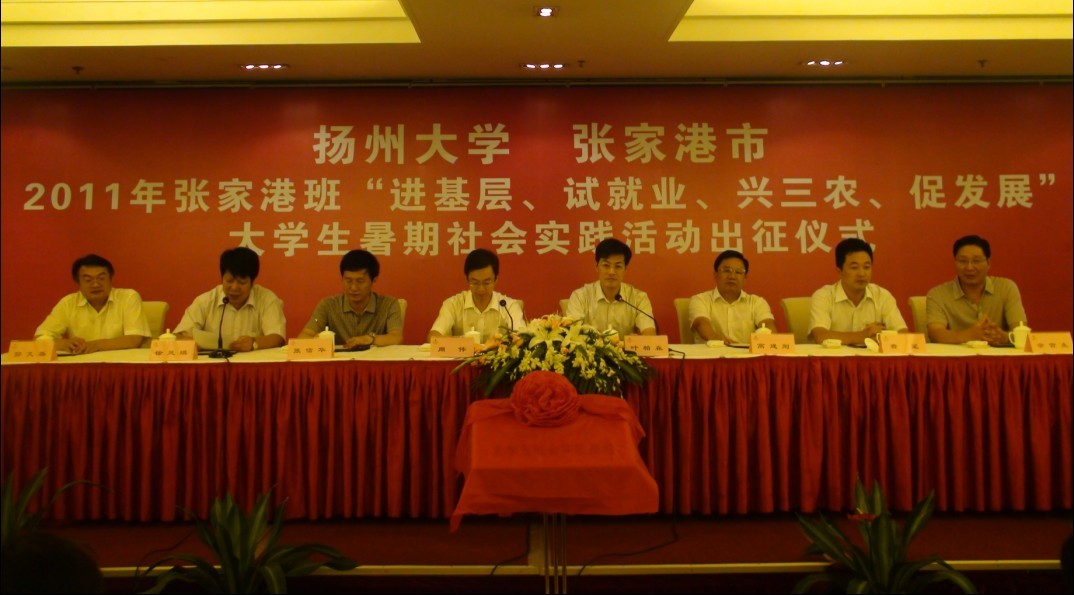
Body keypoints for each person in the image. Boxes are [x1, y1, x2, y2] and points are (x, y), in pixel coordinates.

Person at [174, 247, 286, 351]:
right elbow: (179, 336)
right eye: (229, 281)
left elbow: (277, 337)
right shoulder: (205, 301)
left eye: (242, 282)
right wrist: (190, 343)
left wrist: (254, 343)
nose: (234, 287)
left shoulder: (267, 300)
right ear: (222, 278)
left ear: (252, 282)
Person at [33, 254, 149, 354]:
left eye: (101, 278)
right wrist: (64, 344)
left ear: (110, 279)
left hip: (120, 365)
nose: (95, 284)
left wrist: (95, 345)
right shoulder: (68, 303)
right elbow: (40, 338)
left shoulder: (128, 297)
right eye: (88, 280)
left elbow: (134, 339)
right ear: (78, 283)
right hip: (81, 366)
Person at [925, 235, 1027, 345]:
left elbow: (1021, 330)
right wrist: (970, 335)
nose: (969, 267)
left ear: (988, 263)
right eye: (963, 261)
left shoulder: (1007, 288)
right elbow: (935, 334)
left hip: (999, 355)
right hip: (957, 355)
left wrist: (1004, 337)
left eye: (976, 261)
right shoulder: (937, 294)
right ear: (955, 263)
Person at [809, 238, 907, 345]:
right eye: (854, 267)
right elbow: (820, 336)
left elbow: (903, 334)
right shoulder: (824, 296)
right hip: (834, 356)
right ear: (839, 271)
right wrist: (865, 336)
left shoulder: (882, 296)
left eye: (866, 267)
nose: (862, 273)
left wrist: (882, 334)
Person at [297, 249, 403, 348]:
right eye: (348, 281)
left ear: (374, 280)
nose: (353, 288)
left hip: (374, 361)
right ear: (342, 279)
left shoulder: (389, 304)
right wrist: (315, 340)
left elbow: (396, 338)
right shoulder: (328, 305)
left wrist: (370, 339)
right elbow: (305, 335)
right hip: (339, 361)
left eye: (360, 281)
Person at [428, 248, 524, 342]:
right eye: (475, 282)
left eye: (486, 282)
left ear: (496, 280)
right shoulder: (453, 304)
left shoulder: (509, 306)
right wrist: (465, 343)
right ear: (467, 279)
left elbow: (521, 338)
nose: (481, 288)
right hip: (462, 353)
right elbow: (433, 337)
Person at [565, 238, 656, 337]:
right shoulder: (580, 296)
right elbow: (573, 334)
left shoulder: (639, 298)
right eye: (606, 265)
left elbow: (650, 334)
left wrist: (637, 341)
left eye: (618, 266)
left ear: (625, 269)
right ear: (596, 266)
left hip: (626, 347)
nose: (611, 272)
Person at [688, 250, 776, 344]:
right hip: (711, 352)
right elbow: (701, 323)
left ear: (745, 278)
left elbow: (768, 324)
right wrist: (715, 338)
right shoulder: (700, 300)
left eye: (738, 272)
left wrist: (769, 336)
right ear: (716, 275)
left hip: (745, 353)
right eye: (727, 270)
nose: (732, 276)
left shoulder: (757, 302)